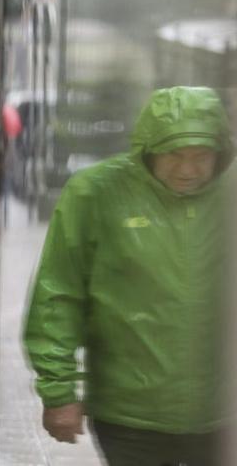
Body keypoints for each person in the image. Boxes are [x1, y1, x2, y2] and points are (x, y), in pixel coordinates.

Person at [23, 86, 234, 466]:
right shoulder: (97, 193)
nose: (188, 170)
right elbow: (59, 295)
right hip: (130, 416)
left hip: (222, 417)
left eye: (201, 156)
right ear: (149, 148)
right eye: (175, 155)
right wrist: (58, 391)